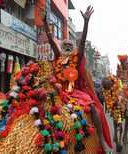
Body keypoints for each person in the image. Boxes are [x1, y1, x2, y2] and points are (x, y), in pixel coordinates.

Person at [43, 5, 112, 151]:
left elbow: (81, 42)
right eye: (65, 45)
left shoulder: (77, 56)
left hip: (75, 92)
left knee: (93, 108)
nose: (67, 46)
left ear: (72, 48)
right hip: (58, 92)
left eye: (70, 45)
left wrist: (86, 22)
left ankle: (101, 140)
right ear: (61, 48)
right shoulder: (58, 57)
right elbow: (50, 40)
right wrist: (44, 22)